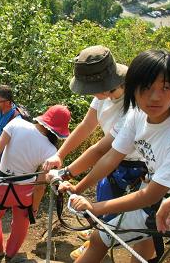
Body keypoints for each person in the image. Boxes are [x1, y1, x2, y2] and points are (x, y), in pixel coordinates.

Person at [64, 49, 170, 263]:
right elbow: (112, 157)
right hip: (150, 190)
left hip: (169, 204)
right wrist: (77, 188)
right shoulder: (138, 114)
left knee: (99, 239)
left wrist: (95, 207)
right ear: (133, 88)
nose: (155, 97)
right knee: (141, 253)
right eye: (146, 88)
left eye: (165, 87)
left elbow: (151, 196)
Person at [43, 45, 145, 260]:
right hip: (113, 164)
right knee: (102, 214)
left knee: (112, 223)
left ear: (103, 85)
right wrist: (59, 155)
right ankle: (97, 239)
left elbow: (100, 149)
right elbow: (86, 125)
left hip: (133, 167)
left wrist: (68, 174)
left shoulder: (133, 107)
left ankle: (97, 244)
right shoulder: (103, 94)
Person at [0, 105, 71, 259]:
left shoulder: (16, 123)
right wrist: (34, 207)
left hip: (1, 185)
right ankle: (11, 254)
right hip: (25, 192)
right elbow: (40, 185)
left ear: (44, 116)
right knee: (21, 223)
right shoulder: (52, 151)